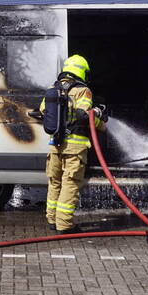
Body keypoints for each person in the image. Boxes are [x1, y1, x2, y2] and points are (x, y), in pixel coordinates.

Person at [42, 54, 106, 234]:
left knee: (54, 182)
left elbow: (42, 111)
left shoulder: (53, 88)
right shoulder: (82, 91)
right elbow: (84, 116)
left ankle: (52, 220)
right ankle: (65, 225)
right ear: (82, 71)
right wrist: (100, 120)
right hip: (75, 148)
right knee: (70, 184)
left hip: (55, 145)